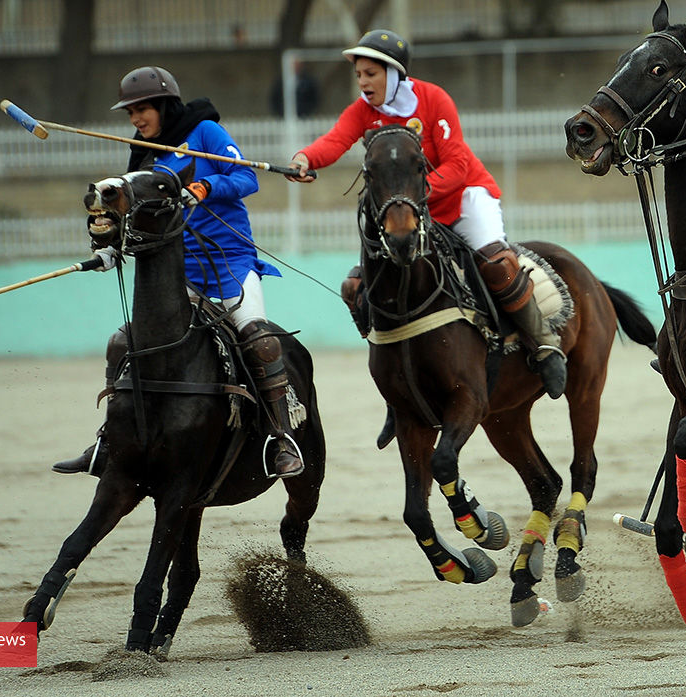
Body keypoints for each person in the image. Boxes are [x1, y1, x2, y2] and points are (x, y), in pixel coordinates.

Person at [53, 66, 304, 479]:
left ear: (165, 106)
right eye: (130, 112)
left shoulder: (205, 132)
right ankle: (109, 439)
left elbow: (246, 178)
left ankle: (280, 438)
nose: (136, 119)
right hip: (178, 273)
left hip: (229, 261)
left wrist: (206, 187)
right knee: (123, 343)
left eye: (142, 109)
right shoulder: (143, 152)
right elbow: (134, 212)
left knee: (259, 341)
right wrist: (110, 246)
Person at [285, 30, 567, 399]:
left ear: (393, 72)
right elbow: (336, 140)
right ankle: (390, 359)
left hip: (463, 197)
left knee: (497, 265)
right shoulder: (363, 111)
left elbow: (458, 165)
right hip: (411, 212)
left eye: (370, 74)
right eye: (359, 75)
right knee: (355, 286)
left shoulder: (433, 99)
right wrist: (305, 158)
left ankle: (544, 345)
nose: (363, 82)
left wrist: (413, 196)